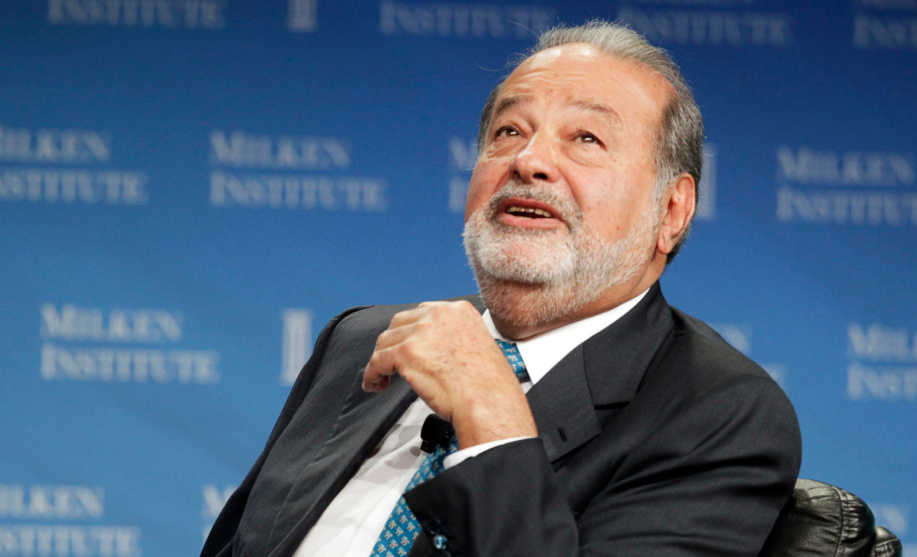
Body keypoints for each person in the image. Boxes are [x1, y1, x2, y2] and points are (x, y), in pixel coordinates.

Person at [202, 20, 801, 557]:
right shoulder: (361, 341)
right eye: (509, 131)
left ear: (672, 211)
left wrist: (491, 415)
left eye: (586, 139)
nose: (529, 160)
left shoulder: (719, 412)